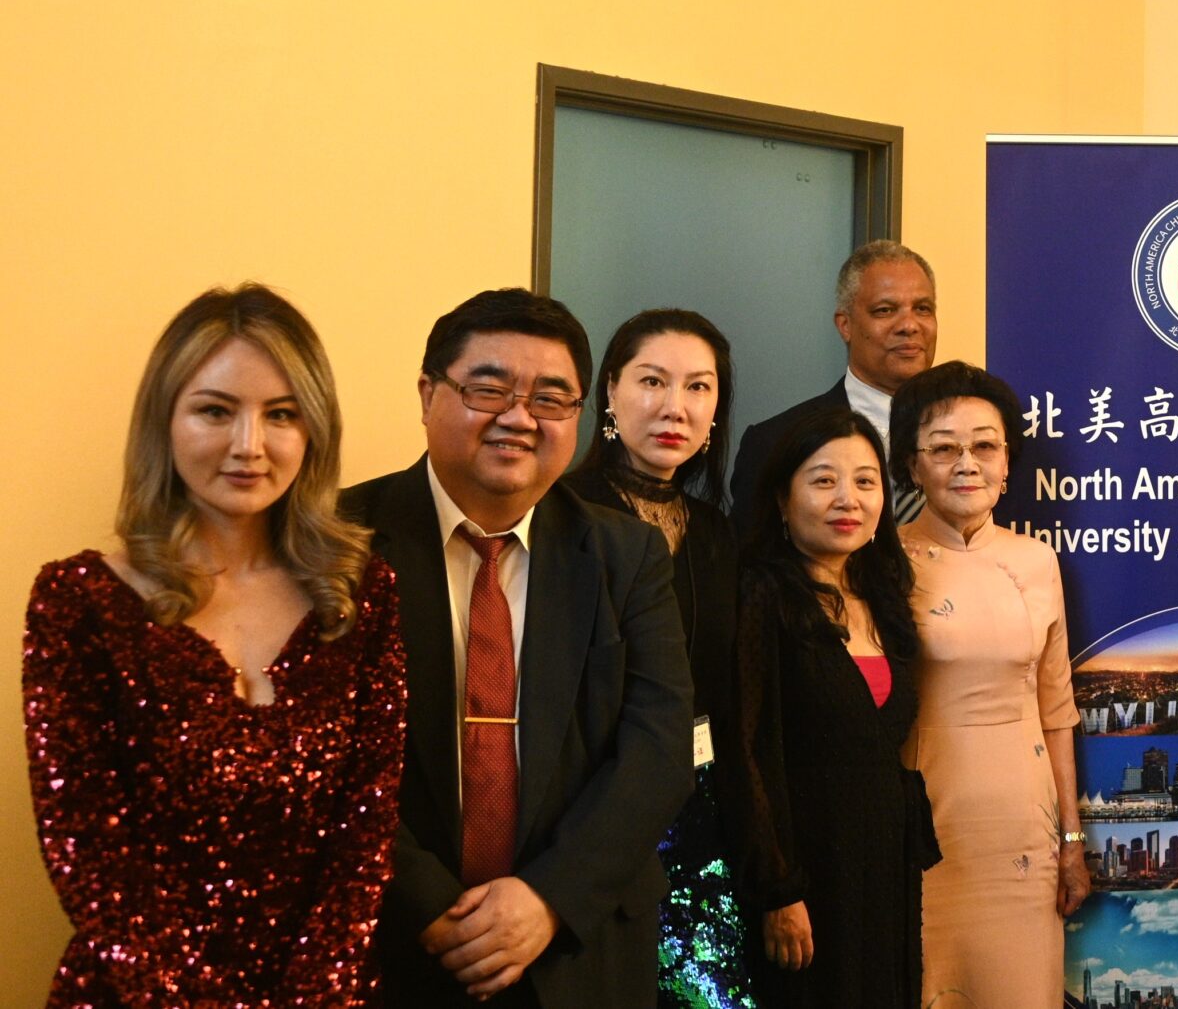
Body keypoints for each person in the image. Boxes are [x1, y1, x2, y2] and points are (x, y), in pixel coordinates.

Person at [23, 284, 404, 1006]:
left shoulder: (363, 596)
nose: (248, 445)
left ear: (314, 431)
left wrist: (312, 995)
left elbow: (365, 834)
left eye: (281, 414)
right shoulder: (79, 602)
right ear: (163, 422)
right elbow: (88, 854)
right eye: (215, 410)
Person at [342, 288, 695, 1007]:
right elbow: (321, 754)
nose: (519, 417)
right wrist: (429, 904)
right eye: (489, 388)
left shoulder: (626, 554)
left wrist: (548, 897)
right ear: (427, 394)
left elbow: (658, 749)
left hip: (577, 950)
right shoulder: (337, 539)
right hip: (389, 943)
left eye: (551, 398)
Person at [555, 308, 750, 1005]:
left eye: (698, 387)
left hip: (698, 812)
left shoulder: (717, 532)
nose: (676, 407)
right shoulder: (561, 513)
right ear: (609, 390)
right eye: (652, 381)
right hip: (586, 810)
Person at [888, 360, 1086, 1008]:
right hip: (924, 822)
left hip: (1024, 828)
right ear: (912, 465)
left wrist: (1072, 839)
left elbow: (1057, 710)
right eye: (944, 448)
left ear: (1006, 463)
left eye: (984, 446)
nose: (966, 464)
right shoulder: (881, 562)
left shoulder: (1037, 560)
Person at [726, 406, 936, 1008]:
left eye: (866, 481)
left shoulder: (884, 597)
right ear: (782, 499)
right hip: (805, 866)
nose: (848, 499)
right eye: (824, 480)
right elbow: (745, 749)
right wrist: (778, 888)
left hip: (883, 861)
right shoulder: (761, 594)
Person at [732, 240, 938, 521]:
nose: (909, 325)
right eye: (885, 310)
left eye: (923, 309)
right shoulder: (774, 443)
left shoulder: (977, 441)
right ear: (845, 325)